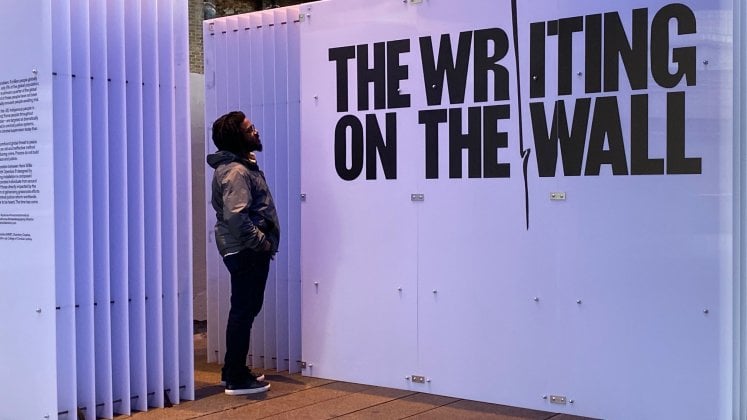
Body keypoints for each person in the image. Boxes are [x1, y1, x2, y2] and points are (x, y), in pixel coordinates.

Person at [207, 111, 280, 395]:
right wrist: (260, 243)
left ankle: (232, 370)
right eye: (250, 129)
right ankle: (236, 377)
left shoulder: (241, 165)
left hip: (244, 249)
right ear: (238, 137)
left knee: (245, 309)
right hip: (246, 250)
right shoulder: (236, 171)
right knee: (243, 310)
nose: (256, 132)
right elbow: (237, 217)